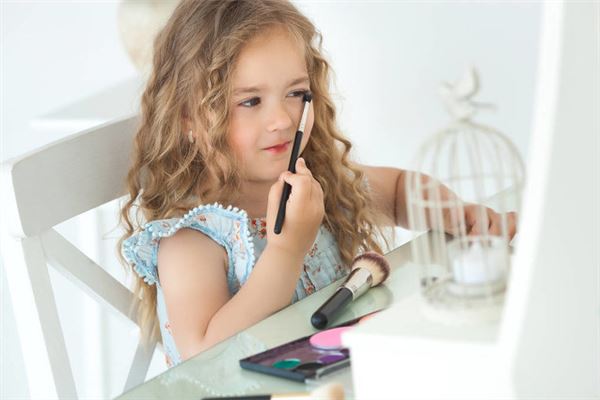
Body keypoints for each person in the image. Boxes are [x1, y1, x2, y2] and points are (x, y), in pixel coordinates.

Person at [119, 0, 517, 367]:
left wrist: (457, 214)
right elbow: (205, 353)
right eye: (251, 101)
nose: (283, 119)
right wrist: (287, 249)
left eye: (296, 93)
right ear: (188, 119)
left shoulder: (318, 188)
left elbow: (397, 192)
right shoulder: (191, 240)